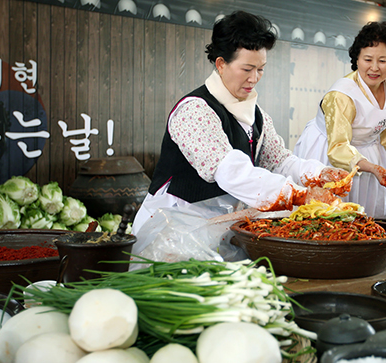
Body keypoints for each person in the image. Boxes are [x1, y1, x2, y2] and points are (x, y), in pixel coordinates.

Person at [132, 11, 349, 237]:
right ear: (221, 64)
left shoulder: (257, 115)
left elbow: (279, 162)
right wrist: (297, 194)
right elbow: (231, 171)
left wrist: (320, 173)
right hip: (173, 227)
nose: (254, 78)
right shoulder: (195, 110)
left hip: (217, 225)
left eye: (261, 69)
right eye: (247, 69)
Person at [294, 21, 386, 218]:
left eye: (383, 61)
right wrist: (372, 168)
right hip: (330, 151)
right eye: (368, 59)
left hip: (370, 152)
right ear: (357, 59)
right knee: (328, 216)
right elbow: (338, 147)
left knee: (366, 217)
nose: (374, 68)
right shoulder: (342, 94)